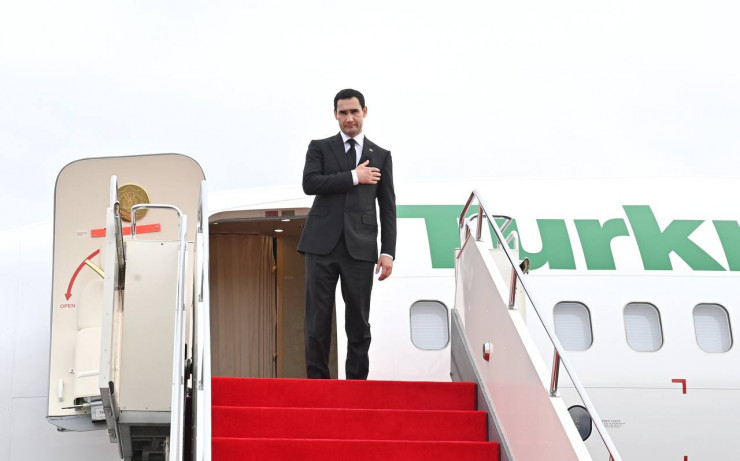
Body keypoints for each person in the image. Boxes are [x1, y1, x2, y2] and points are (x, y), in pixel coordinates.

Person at [298, 88, 396, 380]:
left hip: (361, 248)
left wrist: (388, 251)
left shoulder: (381, 155)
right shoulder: (320, 147)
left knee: (358, 321)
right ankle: (318, 384)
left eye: (354, 111)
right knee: (317, 320)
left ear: (364, 112)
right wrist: (354, 176)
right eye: (343, 112)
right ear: (335, 115)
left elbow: (387, 207)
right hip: (320, 246)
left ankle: (356, 385)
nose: (349, 118)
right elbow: (310, 183)